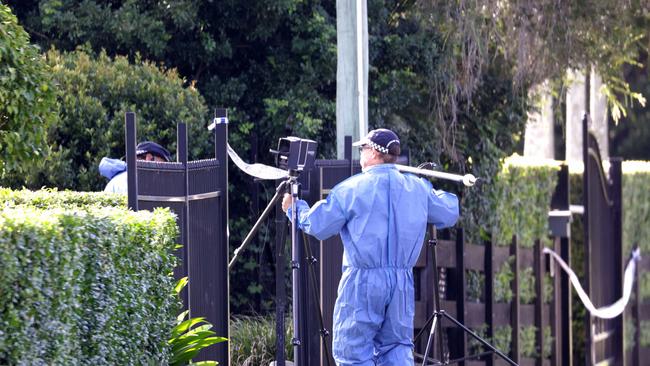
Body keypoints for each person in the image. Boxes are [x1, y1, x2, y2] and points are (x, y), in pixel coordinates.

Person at [281, 128, 459, 365]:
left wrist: (294, 208)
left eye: (363, 149)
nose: (361, 154)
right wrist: (428, 189)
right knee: (397, 351)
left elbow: (319, 225)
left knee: (353, 353)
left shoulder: (351, 189)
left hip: (363, 282)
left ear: (375, 152)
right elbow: (449, 212)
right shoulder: (418, 188)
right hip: (401, 283)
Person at [99, 141, 172, 193]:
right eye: (163, 164)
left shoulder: (115, 180)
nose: (164, 170)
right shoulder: (146, 183)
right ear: (149, 158)